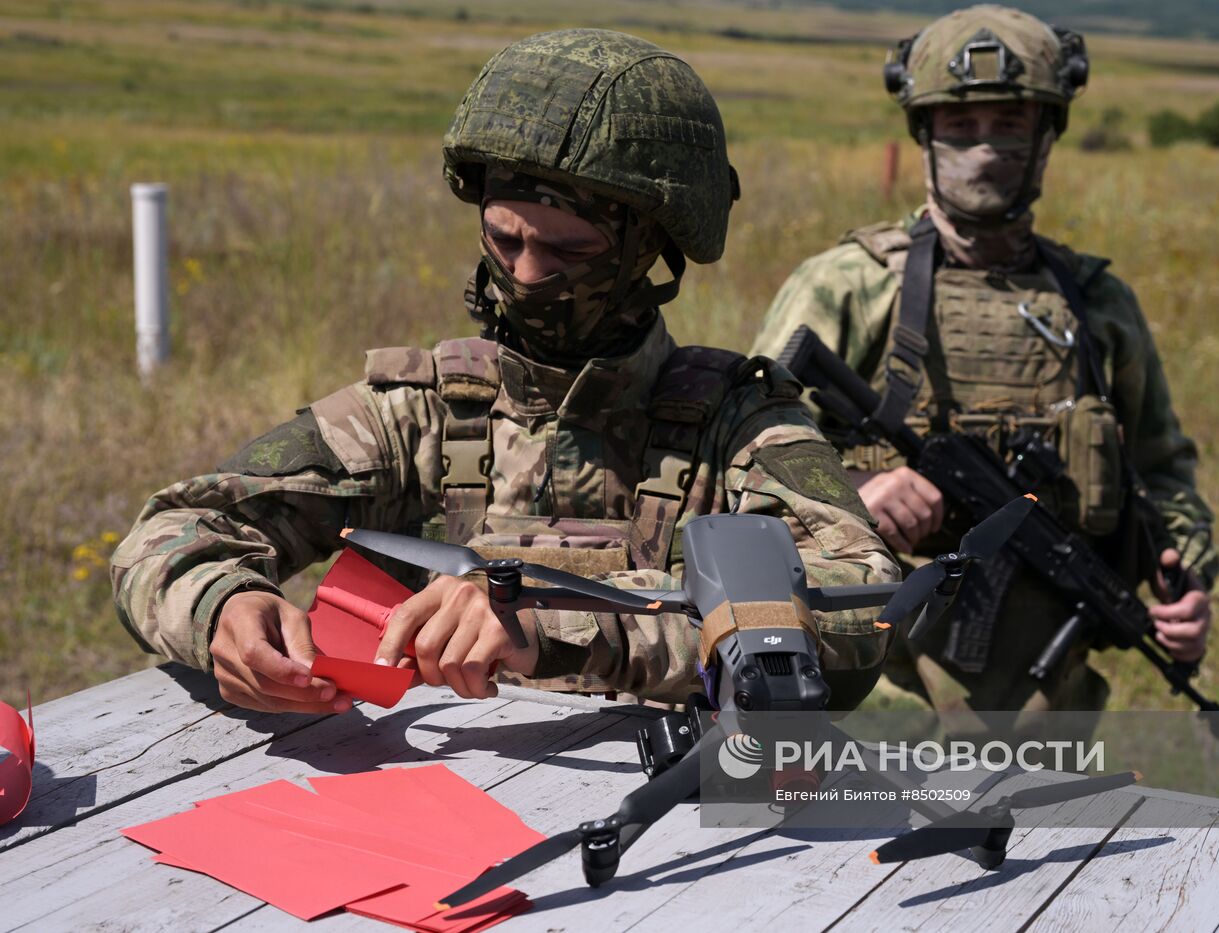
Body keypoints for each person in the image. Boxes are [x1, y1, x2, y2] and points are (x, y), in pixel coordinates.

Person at [111, 28, 898, 716]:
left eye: (570, 251)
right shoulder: (417, 415)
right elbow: (173, 529)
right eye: (504, 238)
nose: (526, 276)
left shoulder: (737, 426)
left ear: (649, 251)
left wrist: (556, 625)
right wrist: (224, 606)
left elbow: (862, 603)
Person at [749, 6, 1218, 720]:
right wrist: (855, 490)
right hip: (860, 637)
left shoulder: (1096, 303)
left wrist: (1184, 578)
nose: (984, 149)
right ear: (925, 134)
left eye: (1009, 125)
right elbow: (744, 451)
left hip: (1037, 672)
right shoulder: (849, 283)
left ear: (1046, 136)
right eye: (960, 127)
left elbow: (1161, 465)